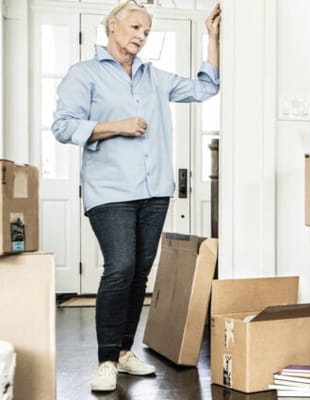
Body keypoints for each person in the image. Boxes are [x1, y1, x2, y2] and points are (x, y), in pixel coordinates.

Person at [51, 0, 221, 392]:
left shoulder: (154, 77)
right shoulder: (84, 74)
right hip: (109, 191)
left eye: (146, 31)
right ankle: (106, 360)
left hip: (154, 190)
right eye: (135, 28)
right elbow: (62, 126)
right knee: (120, 267)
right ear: (113, 25)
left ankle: (125, 351)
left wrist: (211, 37)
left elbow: (206, 88)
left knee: (139, 273)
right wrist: (116, 126)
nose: (142, 36)